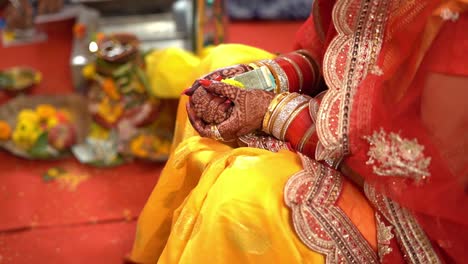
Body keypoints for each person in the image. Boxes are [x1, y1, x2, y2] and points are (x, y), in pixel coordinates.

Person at [129, 0, 468, 263]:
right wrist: (257, 79)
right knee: (219, 60)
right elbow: (330, 56)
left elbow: (409, 159)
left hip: (411, 205)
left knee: (241, 199)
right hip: (339, 127)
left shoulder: (456, 20)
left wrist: (270, 110)